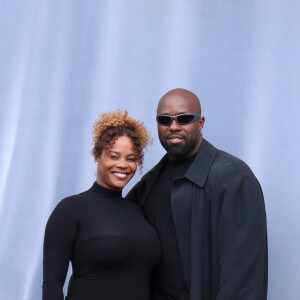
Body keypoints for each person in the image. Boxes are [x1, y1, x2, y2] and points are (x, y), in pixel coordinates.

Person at [126, 89, 268, 300]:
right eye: (165, 120)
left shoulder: (234, 179)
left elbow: (243, 279)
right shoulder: (148, 185)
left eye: (183, 119)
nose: (173, 127)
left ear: (200, 123)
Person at [43, 109, 161, 300]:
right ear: (97, 156)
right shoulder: (71, 209)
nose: (123, 165)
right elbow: (52, 287)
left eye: (131, 158)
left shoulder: (139, 212)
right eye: (114, 156)